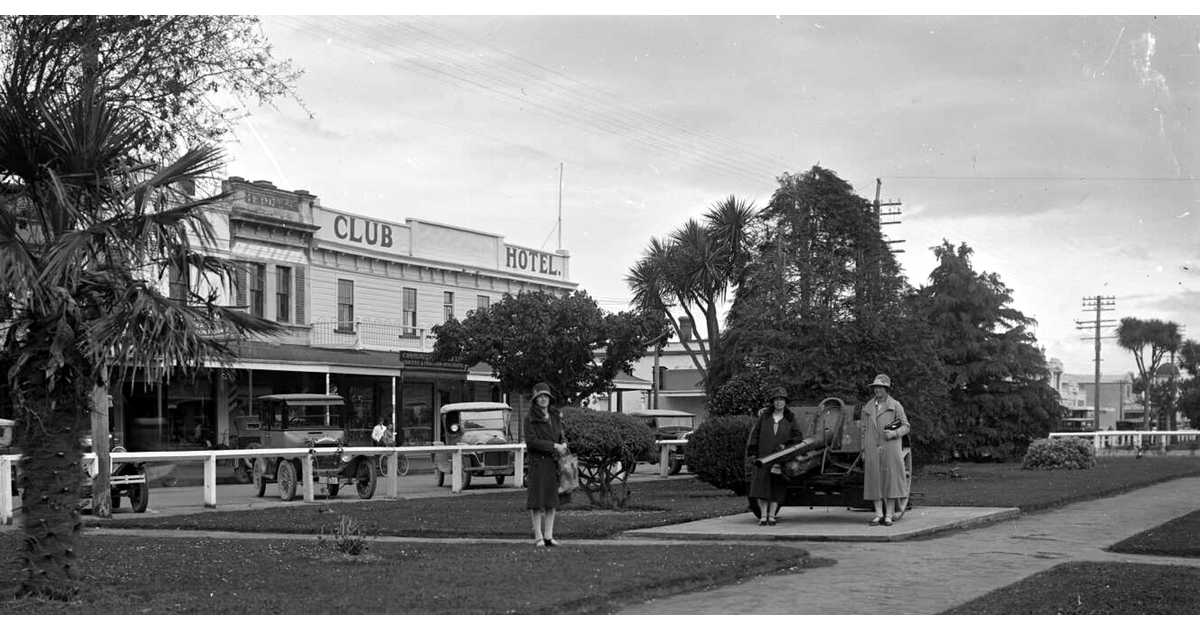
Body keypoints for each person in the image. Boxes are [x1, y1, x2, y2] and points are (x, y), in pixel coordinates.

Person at [746, 387, 802, 526]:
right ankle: (763, 516)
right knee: (761, 487)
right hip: (763, 457)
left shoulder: (790, 418)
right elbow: (755, 434)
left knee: (777, 488)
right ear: (773, 402)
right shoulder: (764, 417)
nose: (779, 402)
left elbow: (797, 436)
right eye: (777, 400)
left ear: (785, 402)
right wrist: (752, 451)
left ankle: (772, 516)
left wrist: (787, 445)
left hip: (780, 459)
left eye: (782, 400)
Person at [524, 381, 570, 547]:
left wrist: (563, 444)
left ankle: (549, 536)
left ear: (550, 398)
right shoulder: (530, 419)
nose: (543, 399)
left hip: (553, 464)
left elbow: (560, 435)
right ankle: (538, 537)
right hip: (538, 464)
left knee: (551, 501)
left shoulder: (555, 416)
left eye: (545, 396)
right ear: (535, 400)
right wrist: (553, 446)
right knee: (537, 503)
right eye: (539, 397)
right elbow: (532, 442)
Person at [860, 374, 911, 526]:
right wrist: (863, 449)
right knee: (874, 481)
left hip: (890, 448)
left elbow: (905, 426)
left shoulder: (895, 405)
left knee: (891, 482)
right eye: (876, 387)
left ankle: (888, 515)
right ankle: (878, 514)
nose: (878, 390)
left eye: (881, 387)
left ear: (887, 389)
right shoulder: (868, 407)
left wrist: (894, 433)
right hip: (872, 449)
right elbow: (863, 430)